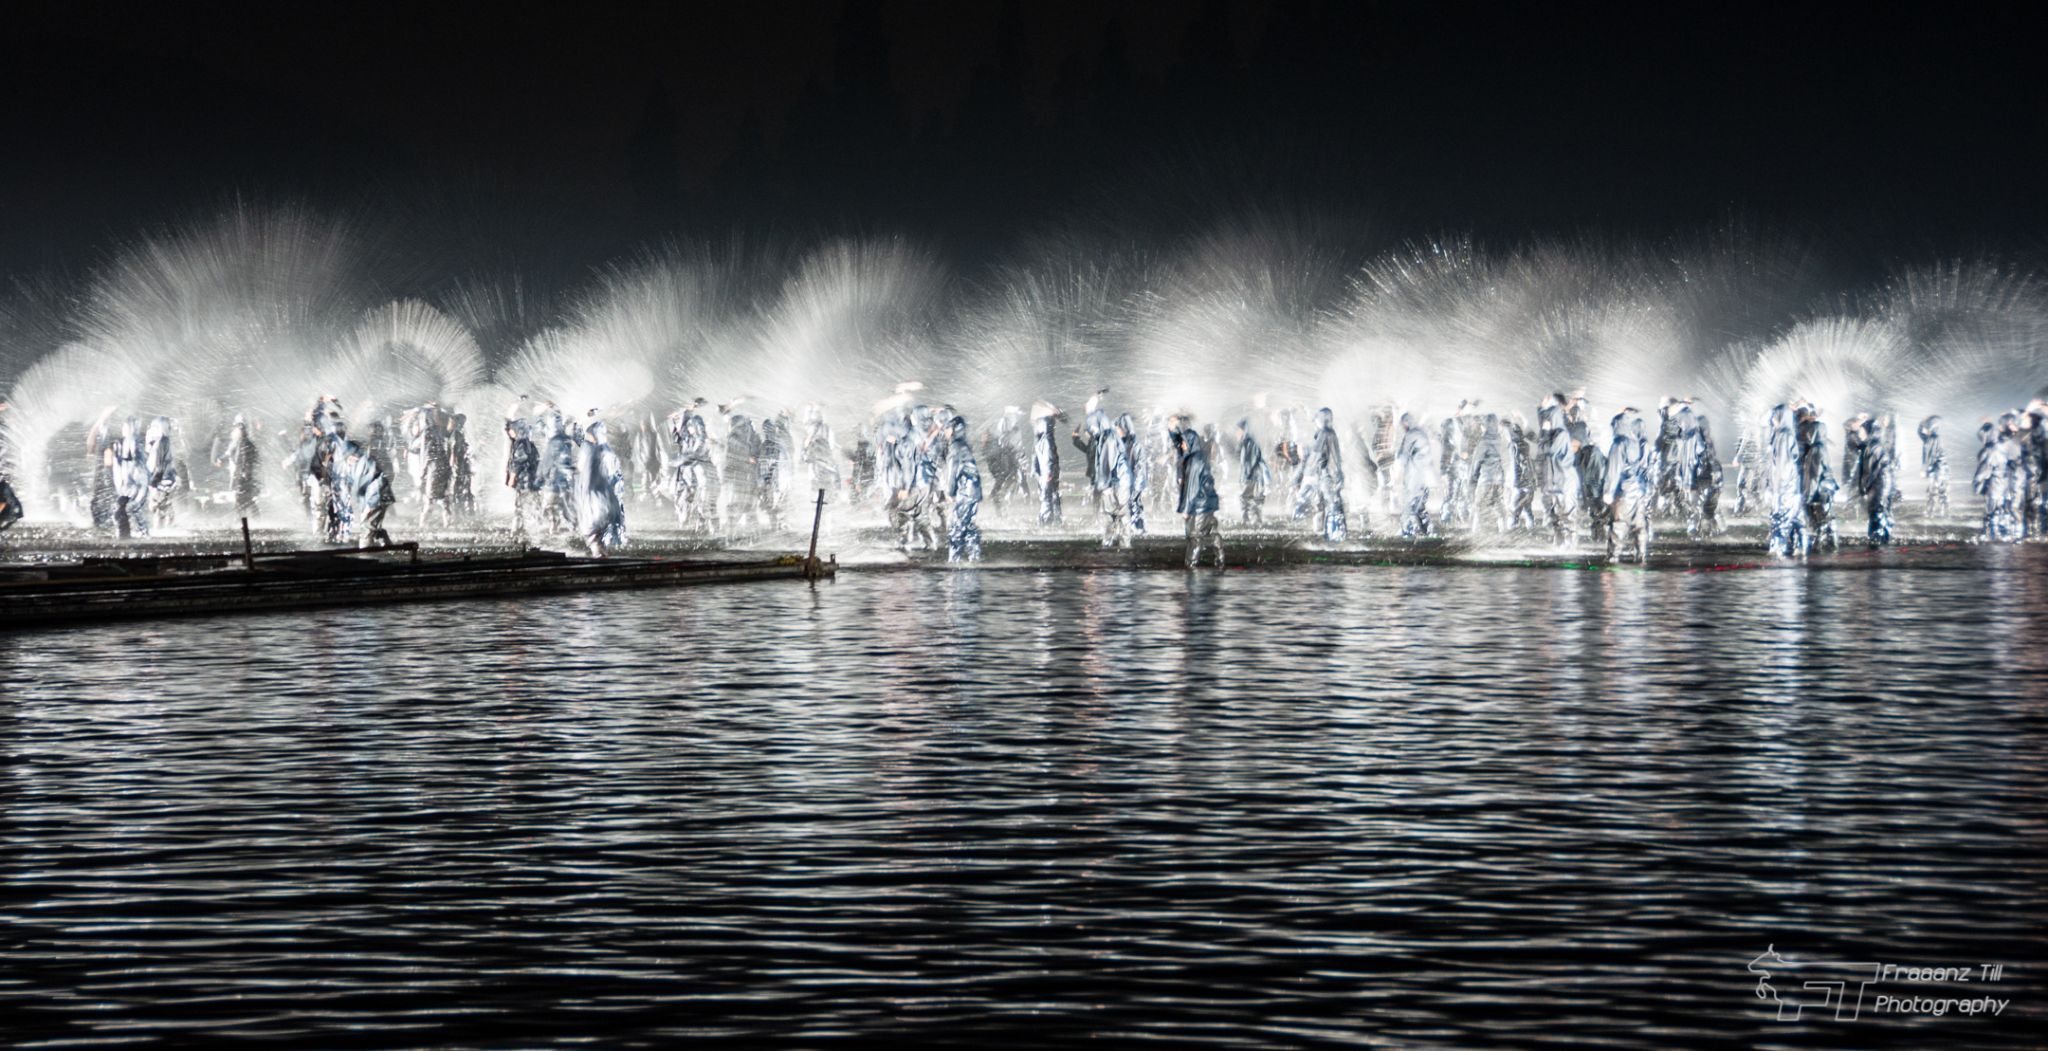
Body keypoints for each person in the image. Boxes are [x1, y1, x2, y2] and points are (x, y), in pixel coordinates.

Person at [1602, 411, 1653, 563]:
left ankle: (1613, 556)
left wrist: (1608, 492)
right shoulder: (1637, 442)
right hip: (1638, 490)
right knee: (1639, 525)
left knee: (1619, 523)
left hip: (1623, 491)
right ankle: (1641, 555)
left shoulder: (1619, 444)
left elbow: (1614, 469)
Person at [574, 418, 628, 557]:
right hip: (609, 498)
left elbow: (585, 473)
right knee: (602, 532)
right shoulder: (608, 451)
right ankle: (604, 555)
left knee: (592, 532)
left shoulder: (593, 452)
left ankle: (599, 557)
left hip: (594, 498)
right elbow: (616, 477)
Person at [1173, 425, 1224, 568]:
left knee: (1194, 537)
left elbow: (1191, 487)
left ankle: (1191, 566)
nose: (1182, 445)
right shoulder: (1201, 457)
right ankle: (1220, 558)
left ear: (1190, 442)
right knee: (1211, 531)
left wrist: (1186, 509)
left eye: (1184, 442)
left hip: (1198, 506)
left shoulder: (1193, 461)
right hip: (1209, 503)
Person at [1762, 404, 1807, 557]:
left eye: (1775, 415)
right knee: (1793, 515)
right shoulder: (1784, 433)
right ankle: (1800, 547)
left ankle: (1778, 548)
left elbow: (1781, 463)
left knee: (1781, 515)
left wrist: (1775, 487)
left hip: (1784, 485)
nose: (1772, 419)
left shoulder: (1783, 435)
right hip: (1789, 484)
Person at [1297, 406, 1347, 541]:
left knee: (1331, 503)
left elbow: (1316, 455)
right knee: (1333, 502)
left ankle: (1335, 535)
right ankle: (1335, 533)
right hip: (1332, 474)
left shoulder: (1324, 433)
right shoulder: (1331, 433)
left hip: (1327, 474)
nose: (1315, 423)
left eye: (1316, 419)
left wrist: (1306, 474)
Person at [1796, 404, 1839, 551]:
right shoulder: (1821, 447)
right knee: (1826, 516)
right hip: (1826, 487)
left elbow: (1813, 475)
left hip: (1819, 489)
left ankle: (1824, 545)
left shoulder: (1815, 450)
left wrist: (1807, 494)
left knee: (1821, 516)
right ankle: (1830, 544)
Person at [1537, 395, 1579, 545]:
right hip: (1555, 482)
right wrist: (1541, 409)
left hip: (1564, 481)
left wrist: (1545, 431)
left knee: (1567, 515)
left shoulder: (1561, 434)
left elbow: (1548, 450)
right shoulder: (1552, 433)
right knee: (1554, 515)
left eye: (1548, 419)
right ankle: (1560, 544)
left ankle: (1570, 546)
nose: (1545, 422)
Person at [944, 414, 983, 563]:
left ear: (954, 429)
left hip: (965, 492)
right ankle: (975, 556)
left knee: (957, 526)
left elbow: (952, 471)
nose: (945, 432)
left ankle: (954, 560)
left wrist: (950, 492)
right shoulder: (964, 445)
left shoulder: (955, 446)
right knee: (969, 525)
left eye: (948, 428)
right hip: (974, 491)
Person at [1858, 414, 1898, 544]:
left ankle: (1877, 540)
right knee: (1881, 510)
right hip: (1883, 483)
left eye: (1862, 431)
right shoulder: (1874, 446)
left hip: (1878, 484)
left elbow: (1869, 471)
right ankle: (1883, 537)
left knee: (1876, 512)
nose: (1860, 434)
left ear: (1869, 432)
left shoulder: (1872, 447)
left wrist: (1864, 487)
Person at [1396, 412, 1437, 538]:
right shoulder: (1422, 433)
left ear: (1406, 423)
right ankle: (1428, 529)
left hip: (1415, 475)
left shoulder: (1410, 434)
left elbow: (1402, 455)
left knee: (1409, 504)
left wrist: (1398, 470)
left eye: (1403, 425)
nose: (1403, 427)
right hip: (1426, 476)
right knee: (1420, 506)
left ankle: (1408, 530)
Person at [504, 415, 542, 542]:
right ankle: (523, 531)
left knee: (522, 506)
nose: (509, 432)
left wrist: (512, 477)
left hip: (524, 481)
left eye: (512, 429)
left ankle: (520, 532)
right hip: (530, 481)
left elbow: (518, 461)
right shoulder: (528, 443)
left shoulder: (521, 444)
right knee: (526, 506)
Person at [1031, 401, 1063, 526]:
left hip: (1047, 473)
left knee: (1047, 495)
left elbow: (1047, 457)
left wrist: (1046, 472)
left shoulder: (1044, 440)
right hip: (1047, 473)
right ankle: (1054, 520)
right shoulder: (1043, 440)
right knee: (1051, 494)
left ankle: (1047, 520)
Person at [1235, 416, 1270, 525]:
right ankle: (1253, 519)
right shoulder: (1245, 443)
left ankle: (1251, 519)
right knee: (1250, 498)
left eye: (1239, 430)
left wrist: (1248, 475)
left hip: (1252, 476)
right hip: (1249, 476)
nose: (1237, 433)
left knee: (1247, 498)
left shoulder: (1250, 443)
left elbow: (1253, 460)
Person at [1919, 415, 1949, 517]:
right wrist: (1923, 422)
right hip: (1942, 469)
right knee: (1941, 490)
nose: (1925, 429)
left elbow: (1930, 456)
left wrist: (1924, 469)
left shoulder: (1932, 439)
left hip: (1937, 470)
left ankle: (1931, 511)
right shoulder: (1932, 438)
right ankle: (1943, 511)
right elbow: (1920, 433)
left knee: (1933, 490)